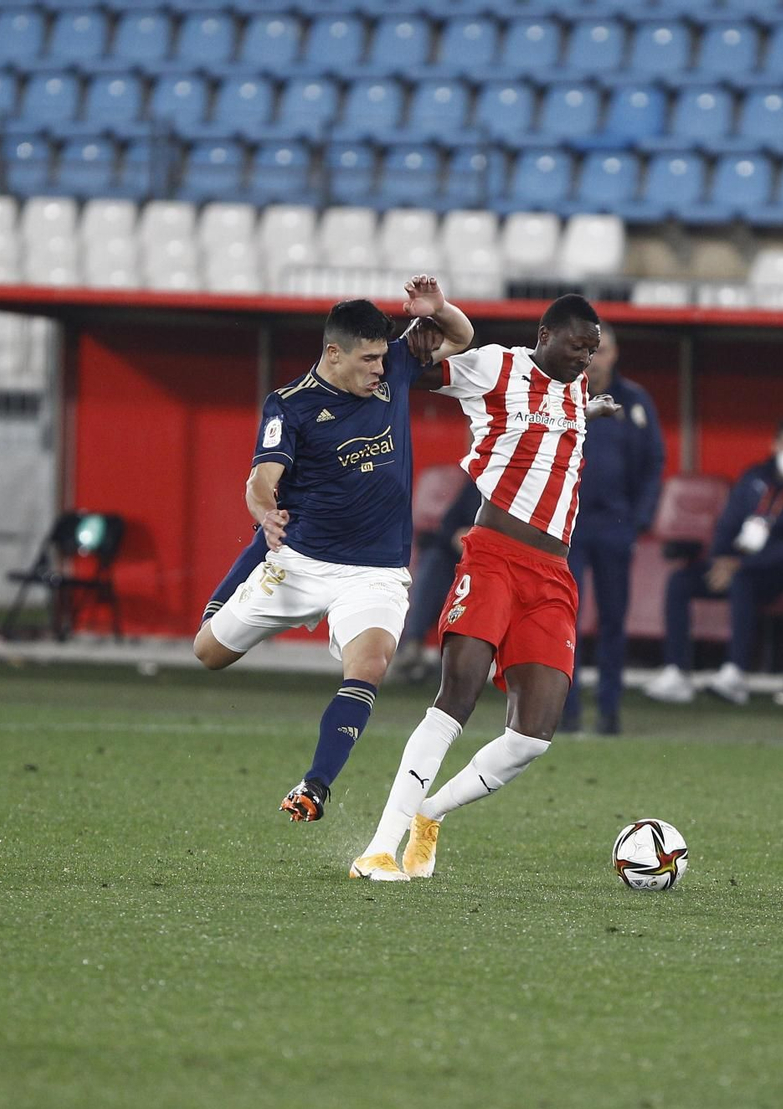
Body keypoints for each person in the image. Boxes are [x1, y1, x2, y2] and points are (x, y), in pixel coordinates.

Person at [351, 292, 621, 882]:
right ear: (545, 334)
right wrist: (422, 334)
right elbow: (418, 371)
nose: (587, 359)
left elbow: (563, 412)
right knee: (458, 697)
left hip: (552, 576)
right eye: (578, 347)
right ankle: (377, 848)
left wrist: (594, 409)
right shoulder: (496, 365)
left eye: (593, 351)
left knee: (532, 737)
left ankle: (429, 815)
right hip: (493, 557)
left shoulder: (575, 392)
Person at [192, 281, 475, 822]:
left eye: (381, 357)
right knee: (208, 653)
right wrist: (264, 514)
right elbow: (261, 479)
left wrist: (439, 310)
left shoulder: (395, 363)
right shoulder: (290, 405)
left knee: (369, 665)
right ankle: (240, 583)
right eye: (367, 358)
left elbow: (460, 338)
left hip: (375, 573)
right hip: (299, 563)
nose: (378, 368)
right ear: (333, 353)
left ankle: (314, 786)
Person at [643, 415, 783, 706]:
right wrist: (721, 560)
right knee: (680, 581)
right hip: (734, 564)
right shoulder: (753, 477)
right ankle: (676, 671)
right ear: (775, 444)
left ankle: (735, 674)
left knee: (743, 581)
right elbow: (727, 524)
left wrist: (740, 566)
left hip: (782, 571)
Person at [562, 324, 665, 736]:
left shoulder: (636, 402)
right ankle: (564, 712)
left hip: (615, 527)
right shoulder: (561, 395)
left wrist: (638, 520)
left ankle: (608, 711)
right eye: (588, 350)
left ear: (614, 354)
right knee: (565, 621)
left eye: (601, 351)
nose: (595, 358)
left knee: (612, 622)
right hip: (566, 526)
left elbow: (654, 463)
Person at [389, 476, 484, 683]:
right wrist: (456, 536)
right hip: (461, 559)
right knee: (434, 562)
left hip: (496, 564)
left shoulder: (524, 485)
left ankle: (463, 660)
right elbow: (448, 524)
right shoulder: (479, 483)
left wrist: (480, 538)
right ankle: (413, 645)